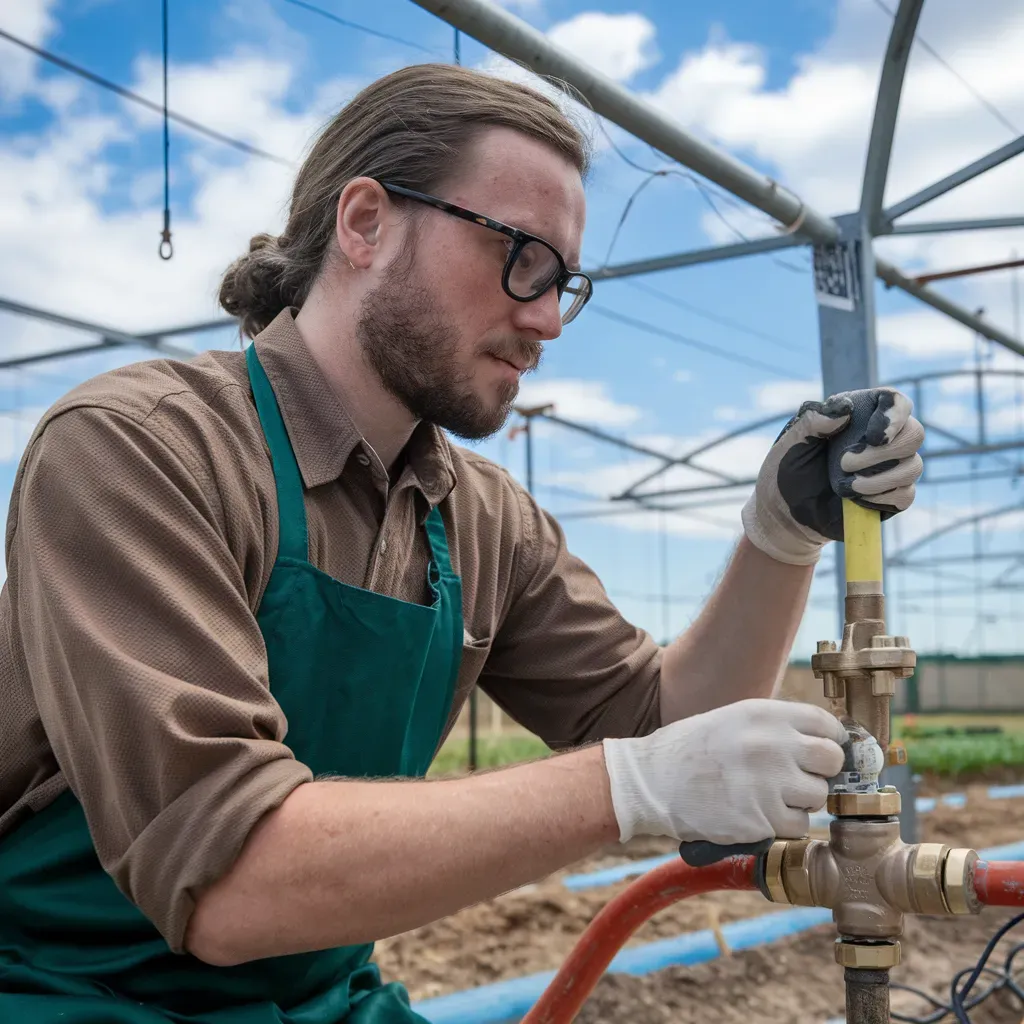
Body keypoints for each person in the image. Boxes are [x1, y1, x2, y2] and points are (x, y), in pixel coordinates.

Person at [0, 63, 924, 1022]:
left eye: (566, 281)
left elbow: (661, 722)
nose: (548, 319)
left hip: (319, 997)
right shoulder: (142, 449)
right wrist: (629, 787)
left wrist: (779, 538)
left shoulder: (481, 520)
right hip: (69, 995)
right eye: (521, 256)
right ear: (365, 222)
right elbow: (229, 878)